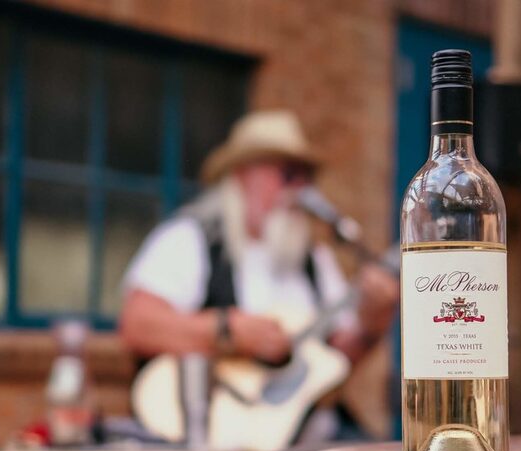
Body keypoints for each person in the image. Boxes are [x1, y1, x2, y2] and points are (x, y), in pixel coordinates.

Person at [119, 110, 398, 432]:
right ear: (242, 175)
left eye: (306, 176)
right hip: (207, 424)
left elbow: (334, 360)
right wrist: (225, 332)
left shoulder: (314, 260)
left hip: (297, 428)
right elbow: (138, 325)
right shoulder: (191, 238)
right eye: (287, 173)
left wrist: (371, 325)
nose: (300, 188)